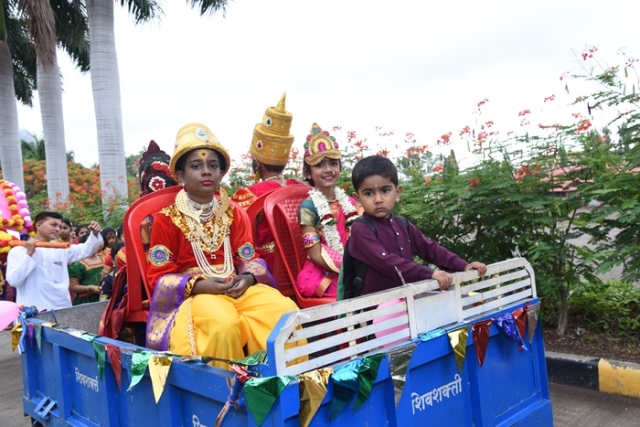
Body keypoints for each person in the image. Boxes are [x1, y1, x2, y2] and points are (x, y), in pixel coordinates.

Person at [145, 122, 299, 369]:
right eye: (196, 166)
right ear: (181, 175)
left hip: (236, 287)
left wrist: (247, 278)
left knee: (285, 311)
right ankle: (227, 389)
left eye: (213, 166)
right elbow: (159, 277)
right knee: (223, 324)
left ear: (220, 174)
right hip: (196, 295)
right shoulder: (166, 219)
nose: (206, 171)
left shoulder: (233, 213)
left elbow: (249, 257)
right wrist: (199, 286)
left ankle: (283, 383)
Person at [346, 155, 487, 296]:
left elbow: (429, 248)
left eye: (385, 191)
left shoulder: (402, 224)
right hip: (378, 306)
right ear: (357, 198)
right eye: (369, 193)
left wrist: (464, 265)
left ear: (397, 193)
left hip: (408, 301)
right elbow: (385, 261)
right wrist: (429, 273)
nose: (378, 199)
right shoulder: (360, 228)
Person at [231, 93, 306, 271]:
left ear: (257, 163)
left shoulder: (248, 195)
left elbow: (237, 237)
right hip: (304, 262)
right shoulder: (302, 187)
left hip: (268, 269)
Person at [296, 123, 359, 298]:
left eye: (333, 163)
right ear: (308, 172)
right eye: (320, 165)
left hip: (355, 265)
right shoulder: (308, 207)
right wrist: (350, 269)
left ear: (340, 167)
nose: (328, 170)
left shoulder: (350, 203)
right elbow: (315, 253)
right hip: (324, 272)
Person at [6, 212, 103, 311]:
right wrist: (29, 254)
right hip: (32, 311)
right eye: (53, 225)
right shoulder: (18, 251)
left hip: (61, 309)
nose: (57, 229)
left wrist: (95, 233)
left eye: (59, 226)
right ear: (38, 225)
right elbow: (14, 281)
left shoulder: (61, 249)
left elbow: (86, 250)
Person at [68, 234, 104, 305]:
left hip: (103, 297)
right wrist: (89, 288)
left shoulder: (104, 258)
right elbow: (72, 286)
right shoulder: (77, 264)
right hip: (85, 301)